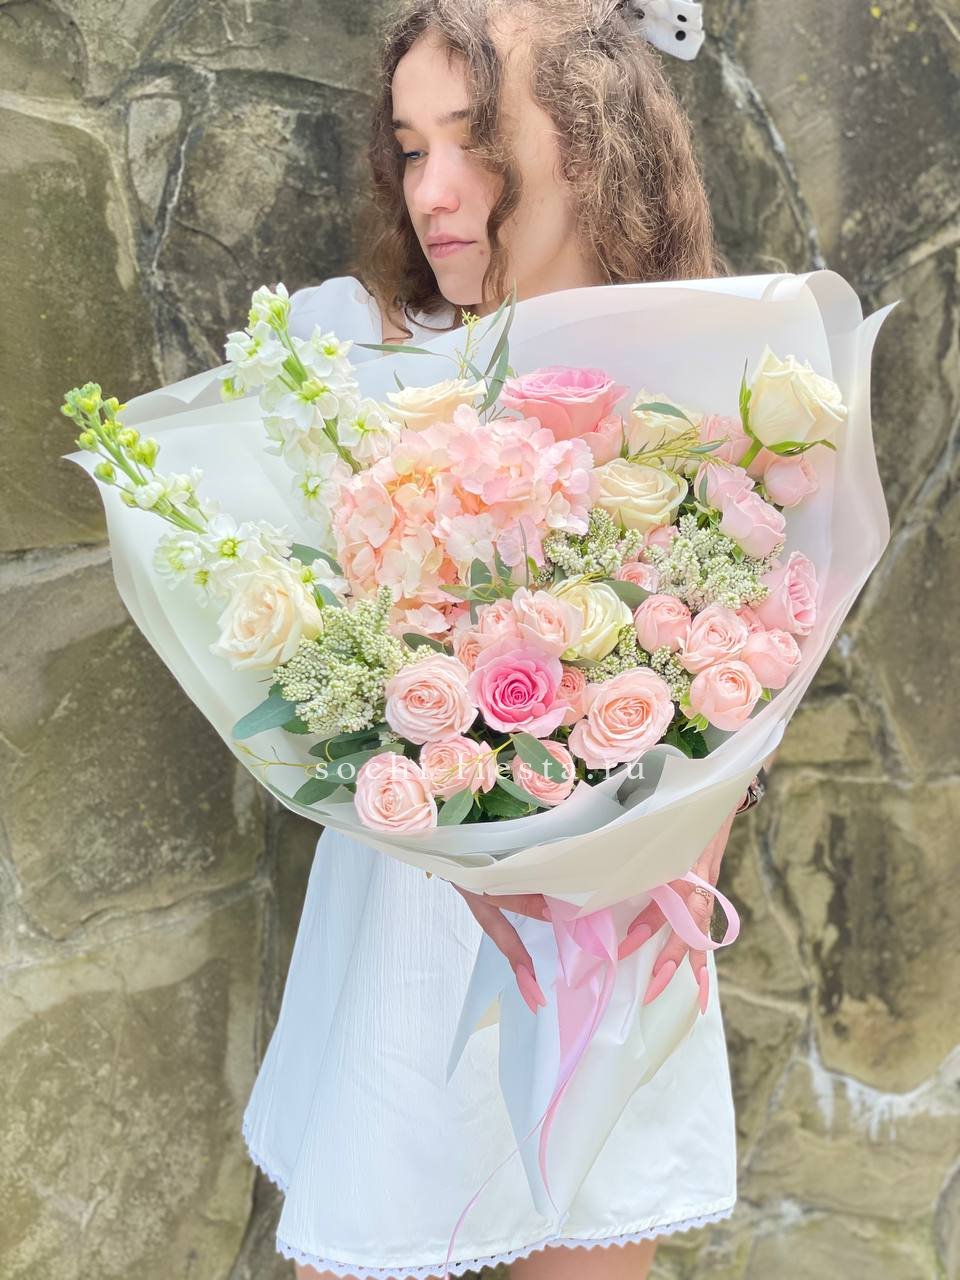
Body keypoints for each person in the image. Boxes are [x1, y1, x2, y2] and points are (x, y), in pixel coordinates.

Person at [241, 2, 772, 1277]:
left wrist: (688, 820)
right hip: (411, 909)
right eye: (409, 148)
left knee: (587, 1220)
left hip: (614, 930)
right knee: (372, 1223)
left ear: (589, 144)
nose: (431, 190)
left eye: (471, 141)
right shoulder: (361, 353)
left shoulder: (711, 386)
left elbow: (751, 656)